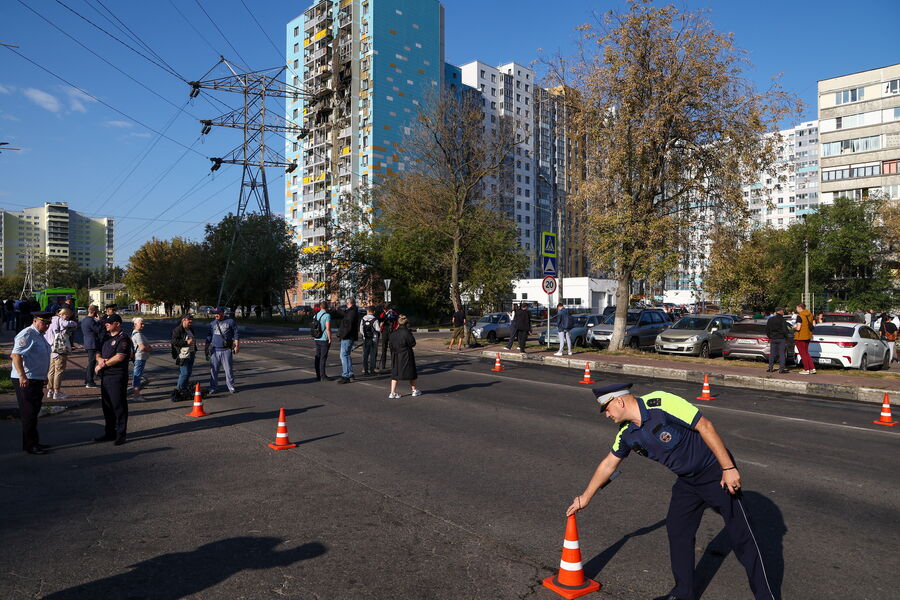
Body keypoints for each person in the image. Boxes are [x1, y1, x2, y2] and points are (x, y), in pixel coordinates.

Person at [567, 383, 774, 600]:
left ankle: (766, 596)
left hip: (715, 473)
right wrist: (585, 497)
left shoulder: (661, 403)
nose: (606, 414)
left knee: (742, 536)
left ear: (619, 401)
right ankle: (683, 593)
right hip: (687, 482)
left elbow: (705, 426)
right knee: (678, 532)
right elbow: (609, 463)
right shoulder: (626, 433)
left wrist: (728, 468)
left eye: (606, 409)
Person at [10, 311, 53, 454]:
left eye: (49, 323)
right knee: (29, 413)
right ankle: (30, 445)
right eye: (44, 322)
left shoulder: (39, 335)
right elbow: (16, 355)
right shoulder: (27, 334)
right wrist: (22, 376)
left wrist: (44, 375)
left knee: (33, 412)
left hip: (36, 378)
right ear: (35, 320)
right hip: (26, 379)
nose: (47, 326)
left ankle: (33, 442)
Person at [94, 314, 133, 445]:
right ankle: (109, 432)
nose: (106, 324)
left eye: (109, 323)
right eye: (105, 322)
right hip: (105, 376)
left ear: (117, 324)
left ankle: (121, 434)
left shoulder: (123, 338)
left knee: (118, 405)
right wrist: (99, 359)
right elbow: (98, 351)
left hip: (117, 376)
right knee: (107, 406)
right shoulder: (105, 337)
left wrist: (102, 364)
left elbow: (119, 357)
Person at [205, 307, 240, 395]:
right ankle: (213, 387)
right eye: (214, 313)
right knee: (214, 370)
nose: (215, 315)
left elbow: (236, 334)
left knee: (228, 370)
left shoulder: (230, 322)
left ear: (222, 313)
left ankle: (231, 386)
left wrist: (237, 346)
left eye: (217, 313)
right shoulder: (212, 323)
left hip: (226, 350)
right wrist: (206, 348)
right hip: (215, 350)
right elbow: (209, 337)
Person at [44, 306, 76, 400]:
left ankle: (50, 390)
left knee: (51, 371)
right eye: (67, 316)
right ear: (64, 314)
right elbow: (67, 324)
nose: (67, 317)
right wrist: (74, 323)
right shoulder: (61, 320)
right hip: (60, 348)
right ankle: (57, 392)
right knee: (59, 371)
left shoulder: (52, 319)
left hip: (51, 348)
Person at [388, 315, 421, 398]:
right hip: (406, 354)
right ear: (407, 324)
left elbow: (390, 345)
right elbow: (413, 343)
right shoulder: (407, 333)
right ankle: (414, 390)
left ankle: (392, 392)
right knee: (411, 373)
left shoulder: (393, 333)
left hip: (395, 355)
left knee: (395, 373)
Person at [170, 314, 197, 401]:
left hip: (191, 354)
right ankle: (178, 391)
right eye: (189, 320)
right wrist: (186, 343)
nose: (190, 322)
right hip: (183, 355)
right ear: (183, 320)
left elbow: (193, 340)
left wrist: (194, 349)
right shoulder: (178, 330)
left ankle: (184, 389)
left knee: (188, 373)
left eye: (191, 320)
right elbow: (174, 341)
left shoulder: (190, 329)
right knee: (184, 373)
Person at [335, 297, 360, 384]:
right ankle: (350, 373)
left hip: (347, 337)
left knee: (343, 356)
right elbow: (344, 314)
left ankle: (345, 375)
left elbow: (347, 326)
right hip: (350, 336)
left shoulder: (351, 313)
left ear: (348, 303)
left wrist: (342, 335)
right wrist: (337, 309)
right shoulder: (352, 311)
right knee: (347, 355)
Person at [130, 317, 151, 401]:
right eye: (141, 323)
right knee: (137, 376)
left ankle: (136, 394)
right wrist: (150, 349)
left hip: (139, 357)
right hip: (139, 357)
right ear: (135, 324)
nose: (143, 325)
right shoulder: (138, 334)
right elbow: (142, 347)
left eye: (143, 323)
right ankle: (136, 395)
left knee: (137, 375)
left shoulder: (136, 333)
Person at [81, 305, 102, 388]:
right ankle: (89, 381)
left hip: (87, 342)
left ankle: (87, 380)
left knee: (91, 362)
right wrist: (99, 321)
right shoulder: (91, 321)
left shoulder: (85, 320)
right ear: (94, 312)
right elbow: (98, 330)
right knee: (92, 363)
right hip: (92, 343)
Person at [764, 307, 790, 373]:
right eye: (782, 311)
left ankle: (770, 368)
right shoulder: (782, 320)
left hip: (773, 338)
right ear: (780, 311)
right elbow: (785, 330)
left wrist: (770, 336)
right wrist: (786, 337)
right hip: (781, 338)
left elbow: (767, 330)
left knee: (772, 354)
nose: (783, 312)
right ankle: (781, 369)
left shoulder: (770, 319)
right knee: (781, 354)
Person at [793, 303, 816, 375]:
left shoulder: (800, 316)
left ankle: (806, 369)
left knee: (803, 353)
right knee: (806, 353)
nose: (796, 309)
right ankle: (812, 368)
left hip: (800, 337)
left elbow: (798, 327)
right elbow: (814, 325)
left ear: (800, 308)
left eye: (797, 308)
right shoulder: (810, 314)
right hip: (808, 335)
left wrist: (793, 327)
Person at [313, 300, 332, 381]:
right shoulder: (327, 315)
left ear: (320, 307)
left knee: (317, 356)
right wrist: (330, 338)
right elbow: (328, 329)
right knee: (323, 358)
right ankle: (323, 376)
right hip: (324, 338)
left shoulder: (315, 315)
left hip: (316, 338)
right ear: (327, 307)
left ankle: (318, 375)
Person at [359, 306, 380, 376]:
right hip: (373, 339)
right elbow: (378, 330)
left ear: (367, 311)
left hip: (366, 339)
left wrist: (365, 335)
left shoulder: (363, 319)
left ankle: (365, 369)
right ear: (374, 312)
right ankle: (372, 369)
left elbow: (361, 330)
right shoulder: (375, 320)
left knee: (365, 355)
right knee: (372, 355)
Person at [377, 305, 398, 373]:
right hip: (385, 331)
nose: (385, 310)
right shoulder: (382, 314)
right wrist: (386, 314)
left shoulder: (394, 313)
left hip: (392, 331)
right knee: (384, 348)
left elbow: (396, 319)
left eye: (386, 309)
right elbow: (381, 319)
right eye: (384, 309)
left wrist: (391, 313)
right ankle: (383, 364)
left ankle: (393, 364)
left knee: (392, 348)